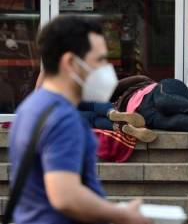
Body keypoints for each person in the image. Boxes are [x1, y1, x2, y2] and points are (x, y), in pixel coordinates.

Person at [9, 16, 150, 224]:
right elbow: (66, 197)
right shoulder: (64, 119)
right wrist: (123, 215)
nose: (106, 68)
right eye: (99, 60)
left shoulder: (31, 107)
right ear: (71, 63)